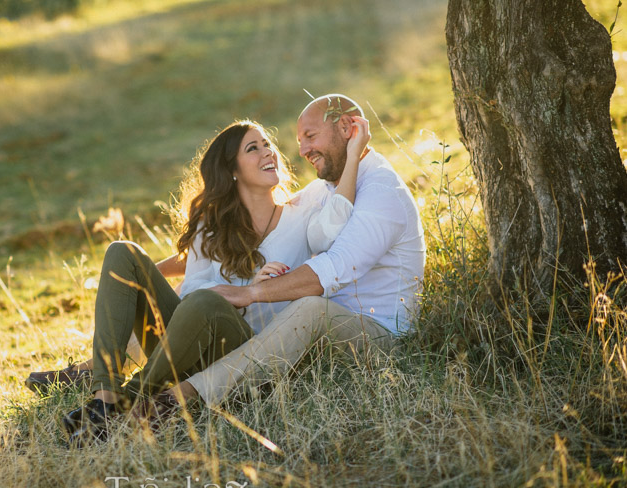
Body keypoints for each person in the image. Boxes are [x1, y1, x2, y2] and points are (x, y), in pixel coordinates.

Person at [135, 94, 426, 421]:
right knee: (208, 294)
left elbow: (330, 272)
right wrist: (151, 273)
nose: (302, 151)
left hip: (376, 336)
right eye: (300, 141)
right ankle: (102, 367)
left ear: (347, 127)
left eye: (310, 137)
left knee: (309, 307)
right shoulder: (325, 189)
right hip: (311, 328)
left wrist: (249, 293)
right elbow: (258, 233)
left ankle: (183, 396)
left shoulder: (381, 193)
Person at [61, 120, 318, 446]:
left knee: (208, 301)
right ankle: (104, 402)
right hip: (187, 338)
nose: (268, 152)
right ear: (232, 170)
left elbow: (340, 224)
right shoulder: (210, 226)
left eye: (267, 144)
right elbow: (193, 291)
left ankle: (130, 397)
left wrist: (251, 291)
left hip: (242, 348)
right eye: (253, 148)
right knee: (123, 252)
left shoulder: (302, 214)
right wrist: (240, 286)